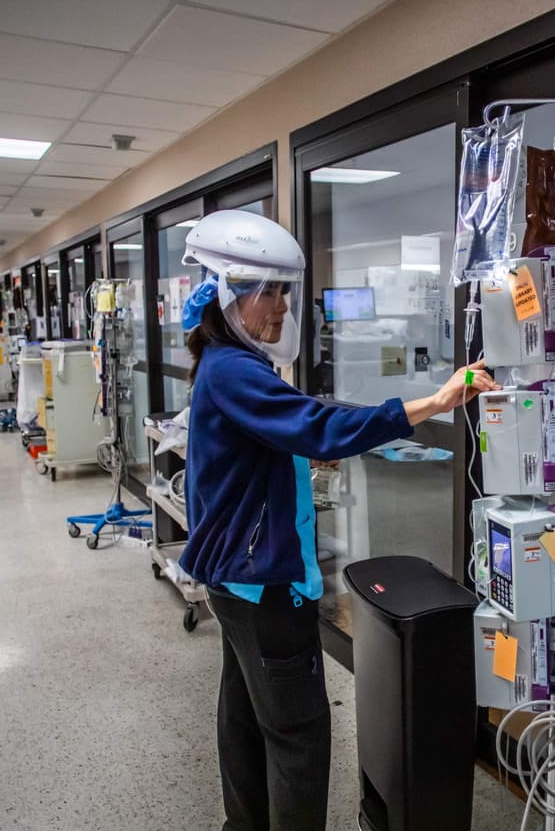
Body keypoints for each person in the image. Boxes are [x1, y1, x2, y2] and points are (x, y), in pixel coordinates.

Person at [177, 209, 498, 831]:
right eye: (268, 291)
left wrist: (304, 445)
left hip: (235, 584)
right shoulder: (236, 371)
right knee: (298, 738)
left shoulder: (226, 365)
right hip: (264, 588)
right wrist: (433, 400)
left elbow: (293, 426)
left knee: (244, 719)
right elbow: (316, 422)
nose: (280, 306)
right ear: (228, 295)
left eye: (284, 292)